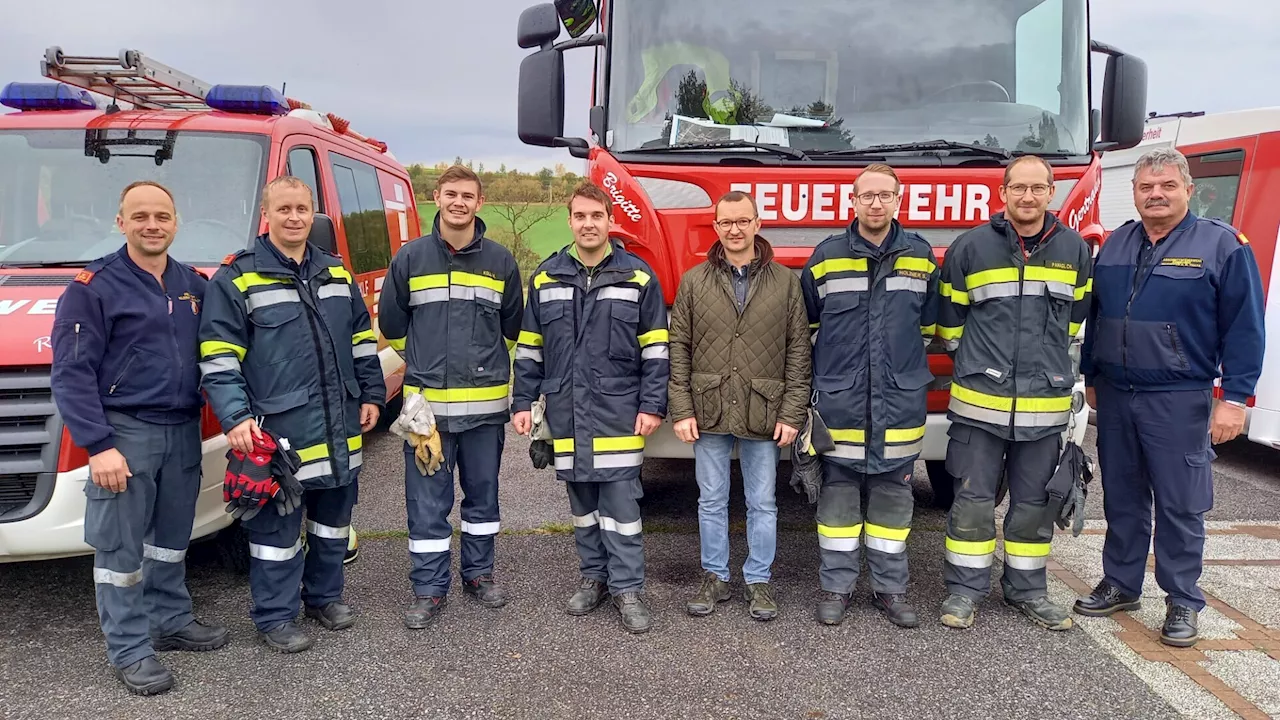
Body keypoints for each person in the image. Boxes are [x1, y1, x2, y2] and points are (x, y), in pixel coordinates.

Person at [1074, 147, 1265, 647]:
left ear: (1188, 190)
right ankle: (1120, 583)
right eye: (1145, 187)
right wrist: (1091, 372)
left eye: (1166, 186)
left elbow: (1246, 328)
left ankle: (1182, 599)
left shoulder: (1222, 245)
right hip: (1116, 394)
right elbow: (1097, 317)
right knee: (1122, 495)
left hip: (1179, 397)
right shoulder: (1115, 244)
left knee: (1181, 503)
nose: (1155, 195)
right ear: (1135, 193)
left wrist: (1236, 398)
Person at [50, 181, 228, 695]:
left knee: (172, 537)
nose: (153, 225)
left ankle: (169, 620)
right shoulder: (94, 287)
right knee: (120, 548)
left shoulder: (192, 283)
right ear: (121, 222)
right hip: (125, 432)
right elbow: (71, 374)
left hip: (183, 428)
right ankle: (129, 648)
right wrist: (98, 444)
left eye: (162, 216)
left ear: (176, 223)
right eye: (141, 216)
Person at [199, 176, 385, 652]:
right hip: (279, 433)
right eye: (284, 209)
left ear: (313, 213)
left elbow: (362, 343)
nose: (295, 217)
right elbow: (219, 359)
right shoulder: (238, 278)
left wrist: (371, 395)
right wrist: (236, 418)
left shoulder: (336, 273)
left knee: (332, 523)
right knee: (276, 531)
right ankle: (275, 617)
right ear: (267, 214)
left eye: (302, 208)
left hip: (340, 424)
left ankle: (324, 598)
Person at [935, 155, 1093, 631]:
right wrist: (986, 368)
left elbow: (1077, 323)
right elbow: (949, 326)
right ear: (1001, 193)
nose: (1027, 197)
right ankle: (964, 592)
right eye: (1018, 188)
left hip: (1044, 408)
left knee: (1034, 506)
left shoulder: (1075, 249)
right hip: (980, 407)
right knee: (972, 502)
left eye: (1037, 188)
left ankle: (1028, 591)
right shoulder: (971, 248)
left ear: (1051, 193)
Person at [512, 181, 669, 634]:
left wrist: (652, 405)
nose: (588, 224)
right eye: (580, 216)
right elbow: (529, 349)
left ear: (609, 221)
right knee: (582, 503)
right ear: (570, 220)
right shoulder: (546, 277)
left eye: (595, 216)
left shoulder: (637, 277)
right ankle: (593, 579)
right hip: (567, 410)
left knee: (622, 506)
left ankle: (627, 589)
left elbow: (657, 349)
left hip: (619, 410)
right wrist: (523, 401)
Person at [378, 165, 524, 629]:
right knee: (426, 503)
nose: (459, 202)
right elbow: (394, 327)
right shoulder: (410, 259)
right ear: (435, 198)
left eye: (468, 195)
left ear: (479, 203)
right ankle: (429, 589)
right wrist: (423, 365)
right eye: (451, 194)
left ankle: (478, 576)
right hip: (427, 416)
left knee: (482, 498)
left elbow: (515, 327)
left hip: (484, 413)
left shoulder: (501, 262)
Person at [800, 164, 939, 628]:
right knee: (837, 503)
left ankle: (890, 589)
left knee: (892, 506)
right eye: (867, 196)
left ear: (899, 200)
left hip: (899, 403)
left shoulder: (920, 257)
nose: (876, 204)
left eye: (885, 196)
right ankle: (836, 589)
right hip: (840, 403)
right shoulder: (826, 257)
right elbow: (808, 329)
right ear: (852, 201)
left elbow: (928, 327)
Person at [667, 190, 810, 621]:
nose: (734, 229)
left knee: (762, 501)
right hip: (707, 407)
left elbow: (799, 351)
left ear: (757, 223)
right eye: (726, 222)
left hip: (764, 411)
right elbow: (680, 348)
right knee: (710, 500)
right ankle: (715, 576)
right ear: (715, 227)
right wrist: (682, 407)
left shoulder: (786, 282)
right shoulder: (693, 281)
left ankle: (758, 580)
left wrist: (791, 413)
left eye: (742, 221)